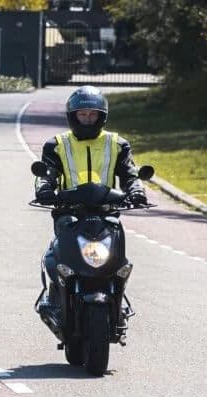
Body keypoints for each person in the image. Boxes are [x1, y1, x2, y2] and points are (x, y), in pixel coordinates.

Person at [34, 85, 146, 329]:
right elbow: (48, 173)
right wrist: (44, 188)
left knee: (117, 255)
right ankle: (56, 298)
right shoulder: (56, 144)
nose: (87, 119)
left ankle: (118, 298)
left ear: (101, 116)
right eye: (82, 114)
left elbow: (130, 173)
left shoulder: (117, 144)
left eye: (92, 114)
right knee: (60, 257)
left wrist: (136, 190)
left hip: (107, 213)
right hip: (69, 212)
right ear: (73, 116)